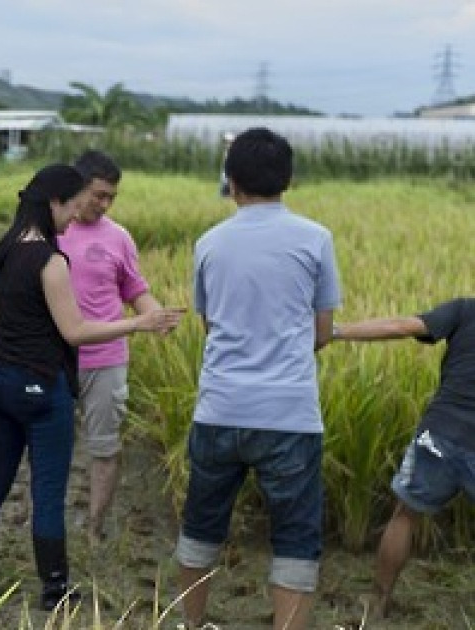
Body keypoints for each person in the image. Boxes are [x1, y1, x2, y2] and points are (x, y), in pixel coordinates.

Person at [0, 164, 182, 611]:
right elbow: (75, 331)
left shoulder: (2, 250)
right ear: (53, 203)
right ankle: (55, 588)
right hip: (42, 388)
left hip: (0, 379)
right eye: (70, 208)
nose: (72, 219)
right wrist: (139, 322)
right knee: (48, 490)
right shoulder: (50, 259)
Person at [175, 128, 341, 630]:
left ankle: (193, 623)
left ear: (231, 181)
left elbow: (210, 326)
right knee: (295, 537)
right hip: (290, 414)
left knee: (202, 525)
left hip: (220, 408)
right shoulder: (316, 239)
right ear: (288, 178)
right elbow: (323, 331)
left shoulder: (209, 244)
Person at [331, 300, 475, 619]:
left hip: (441, 434)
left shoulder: (466, 310)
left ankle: (379, 600)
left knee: (405, 515)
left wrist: (334, 331)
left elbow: (400, 326)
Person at [56, 151, 168, 543]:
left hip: (106, 359)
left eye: (111, 198)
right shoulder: (50, 230)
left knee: (104, 447)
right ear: (76, 187)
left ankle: (94, 529)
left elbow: (135, 290)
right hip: (55, 359)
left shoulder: (119, 237)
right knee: (50, 443)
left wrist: (157, 317)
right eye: (98, 195)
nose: (103, 205)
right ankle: (49, 521)